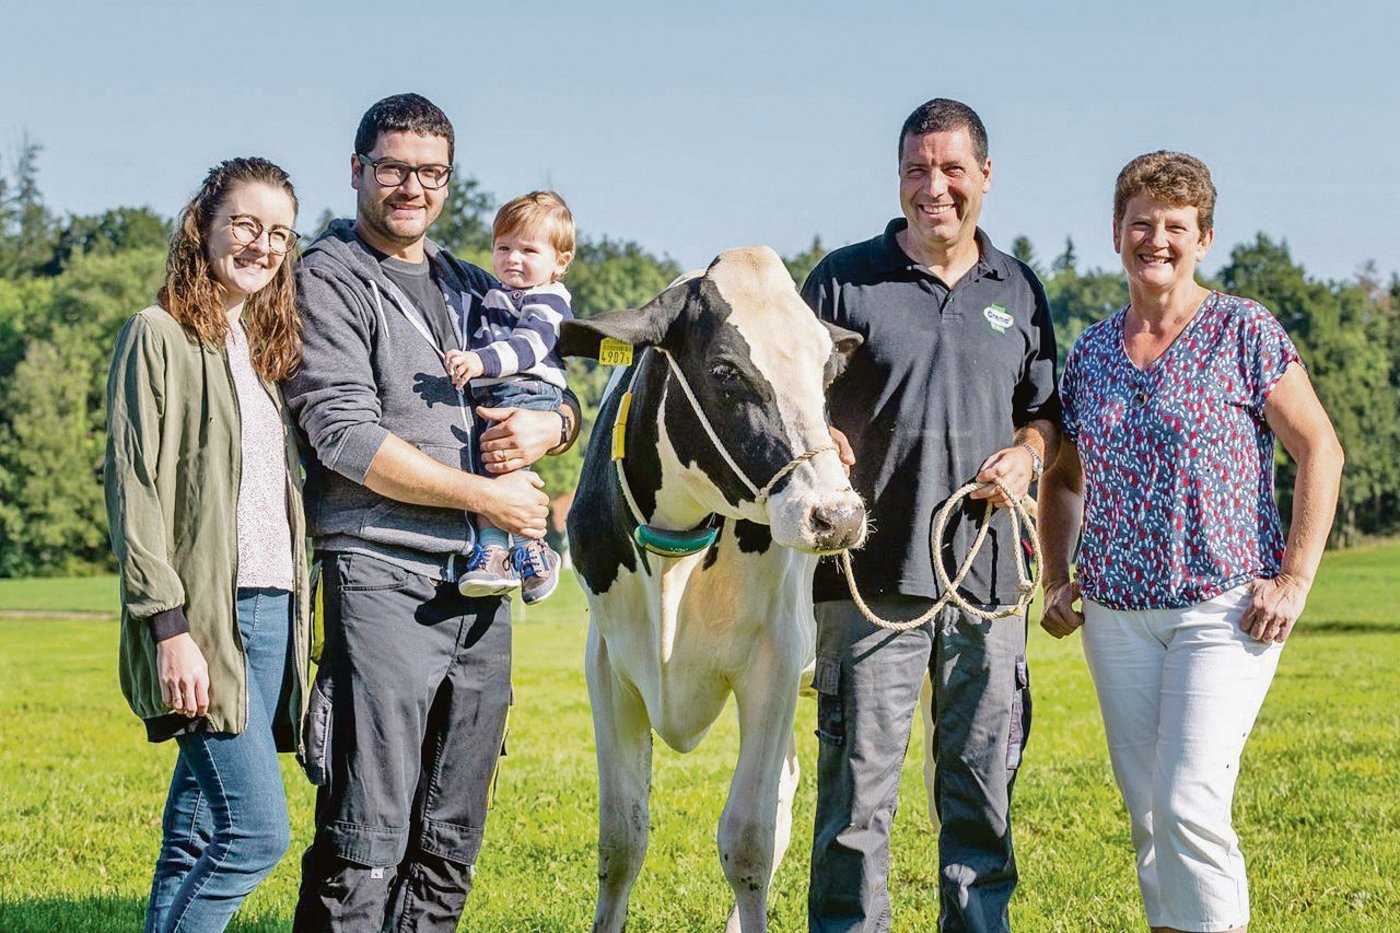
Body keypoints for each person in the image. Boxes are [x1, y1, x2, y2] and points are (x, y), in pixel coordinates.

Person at [284, 93, 579, 931]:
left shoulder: (471, 282)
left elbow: (556, 383)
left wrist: (549, 424)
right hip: (382, 572)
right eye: (393, 168)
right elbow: (342, 434)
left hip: (479, 594)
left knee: (450, 839)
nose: (411, 187)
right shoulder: (328, 278)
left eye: (431, 172)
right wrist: (486, 495)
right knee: (366, 839)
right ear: (357, 171)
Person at [1037, 151, 1344, 933]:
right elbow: (1065, 479)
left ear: (1203, 237)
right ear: (1117, 233)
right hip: (1115, 615)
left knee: (1188, 802)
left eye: (1176, 225)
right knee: (1148, 817)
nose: (1157, 239)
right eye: (1142, 222)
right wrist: (1056, 576)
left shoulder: (1245, 330)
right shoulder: (1094, 353)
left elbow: (1320, 448)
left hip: (1224, 607)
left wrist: (1297, 577)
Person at [803, 98, 1061, 931]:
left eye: (953, 169)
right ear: (899, 177)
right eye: (918, 169)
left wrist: (1026, 453)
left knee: (982, 800)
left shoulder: (1017, 287)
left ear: (985, 175)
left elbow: (1044, 413)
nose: (935, 187)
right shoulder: (843, 278)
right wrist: (821, 437)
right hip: (866, 579)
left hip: (986, 583)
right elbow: (791, 399)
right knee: (853, 811)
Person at [105, 156, 310, 932]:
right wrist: (170, 626)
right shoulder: (156, 334)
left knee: (195, 831)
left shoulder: (254, 348)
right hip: (203, 623)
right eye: (246, 225)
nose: (261, 245)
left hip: (269, 614)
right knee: (256, 834)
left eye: (279, 233)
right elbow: (135, 489)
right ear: (206, 225)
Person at [445, 190, 576, 603]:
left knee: (507, 465)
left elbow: (528, 347)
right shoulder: (495, 294)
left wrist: (478, 362)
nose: (512, 258)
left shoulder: (549, 299)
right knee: (490, 470)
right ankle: (496, 552)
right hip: (497, 390)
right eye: (503, 247)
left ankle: (530, 547)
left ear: (560, 262)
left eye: (528, 250)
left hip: (528, 390)